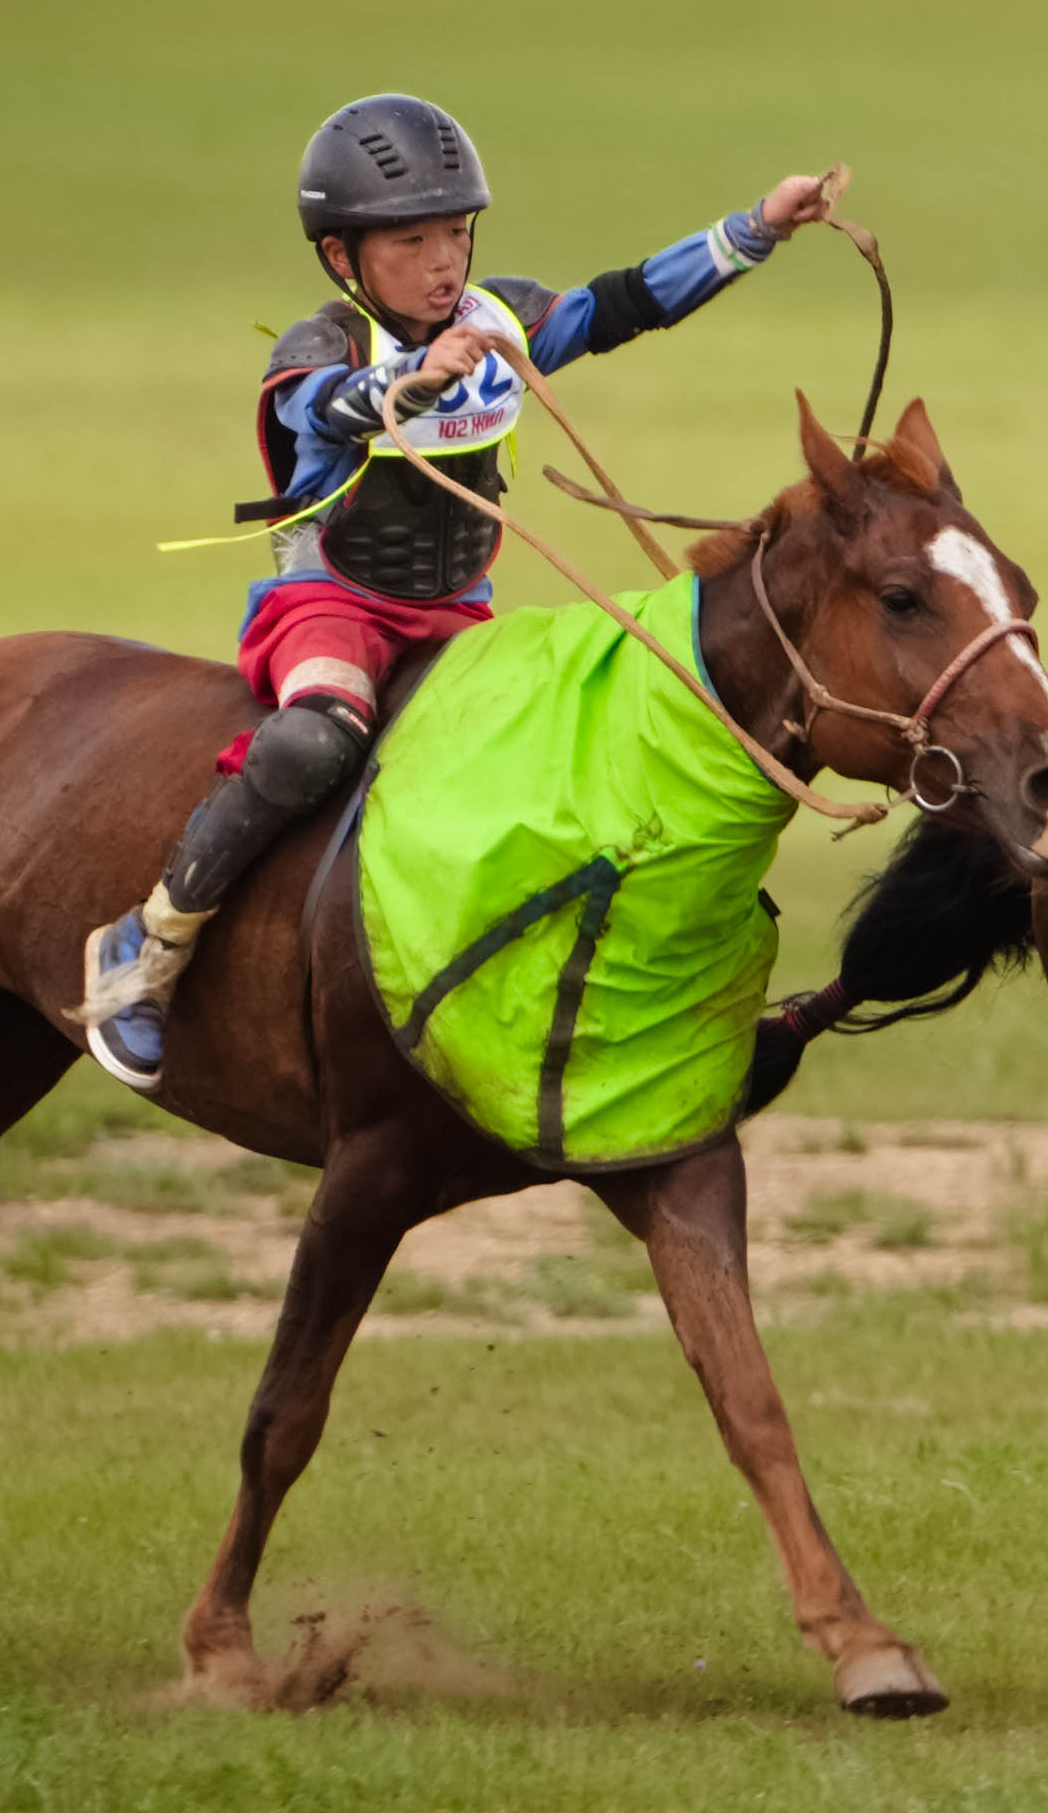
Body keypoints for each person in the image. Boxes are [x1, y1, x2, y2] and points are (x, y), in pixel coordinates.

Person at [77, 92, 845, 1091]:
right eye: (412, 242)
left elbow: (621, 305)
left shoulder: (499, 320)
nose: (444, 262)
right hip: (330, 603)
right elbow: (334, 409)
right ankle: (149, 947)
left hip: (458, 612)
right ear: (342, 259)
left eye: (457, 234)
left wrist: (755, 230)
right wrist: (424, 379)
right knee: (317, 738)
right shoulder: (324, 346)